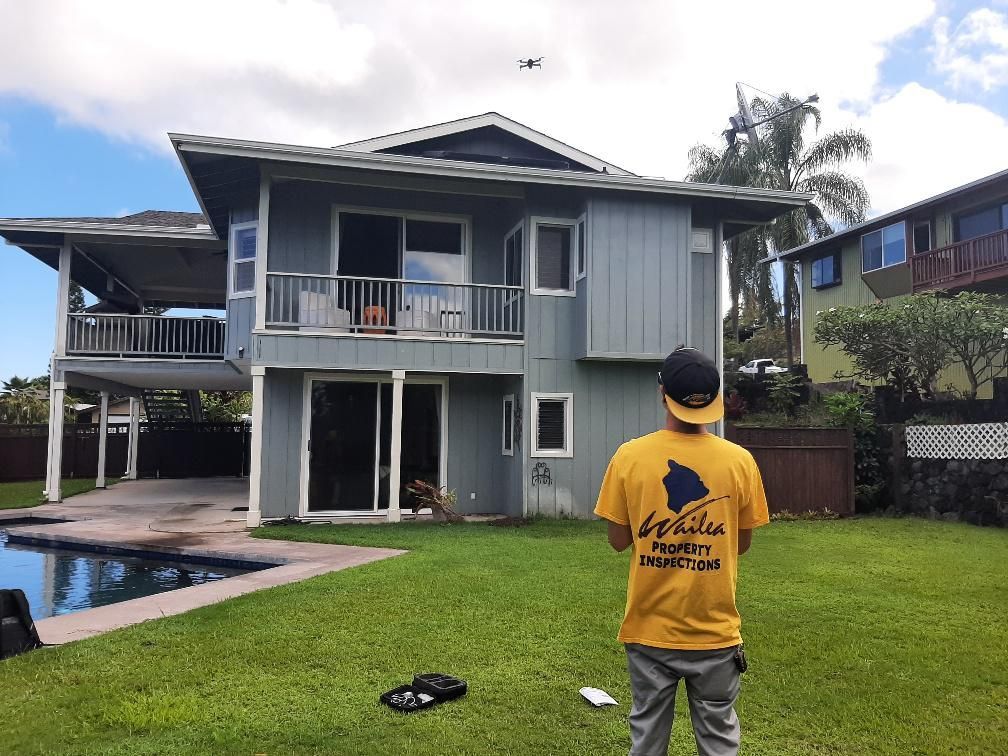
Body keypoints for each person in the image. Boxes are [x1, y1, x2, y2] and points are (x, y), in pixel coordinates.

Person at [594, 346, 769, 756]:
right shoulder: (740, 462)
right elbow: (741, 544)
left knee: (648, 737)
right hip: (715, 632)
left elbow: (618, 540)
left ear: (662, 393)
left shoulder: (629, 457)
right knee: (719, 737)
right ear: (714, 398)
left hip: (650, 629)